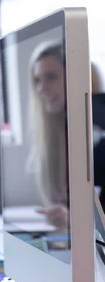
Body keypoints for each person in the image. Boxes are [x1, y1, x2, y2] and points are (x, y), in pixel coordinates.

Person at [26, 40, 103, 228]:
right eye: (37, 80)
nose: (41, 89)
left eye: (51, 77)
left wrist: (76, 223)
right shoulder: (56, 135)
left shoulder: (99, 139)